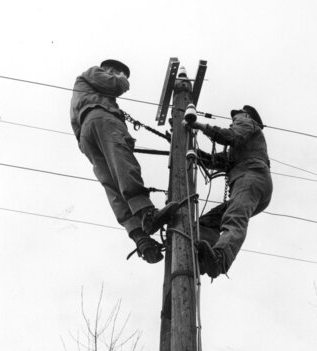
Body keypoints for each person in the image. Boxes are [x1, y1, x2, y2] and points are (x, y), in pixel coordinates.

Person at [70, 59, 171, 264]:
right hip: (101, 120)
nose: (119, 75)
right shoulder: (93, 73)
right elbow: (116, 85)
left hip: (85, 135)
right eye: (118, 72)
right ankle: (146, 213)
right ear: (110, 69)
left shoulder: (87, 89)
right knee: (124, 165)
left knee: (112, 185)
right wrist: (122, 79)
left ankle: (139, 237)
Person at [184, 105, 273, 277]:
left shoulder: (248, 124)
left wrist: (201, 126)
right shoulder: (240, 147)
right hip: (249, 181)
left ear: (246, 115)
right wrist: (181, 146)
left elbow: (229, 136)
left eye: (236, 117)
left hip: (251, 177)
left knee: (234, 218)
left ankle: (220, 259)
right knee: (209, 221)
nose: (233, 121)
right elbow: (213, 161)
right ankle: (203, 259)